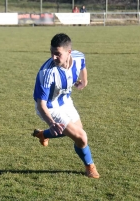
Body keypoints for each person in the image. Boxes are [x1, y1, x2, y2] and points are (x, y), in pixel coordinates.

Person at [32, 33, 100, 179]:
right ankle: (90, 167)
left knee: (78, 133)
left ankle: (43, 134)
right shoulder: (47, 73)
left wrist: (84, 80)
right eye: (51, 53)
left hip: (65, 101)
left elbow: (83, 65)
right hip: (50, 107)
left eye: (57, 54)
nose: (53, 57)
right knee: (81, 137)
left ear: (69, 52)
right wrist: (51, 122)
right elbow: (41, 104)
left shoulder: (78, 56)